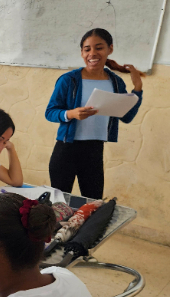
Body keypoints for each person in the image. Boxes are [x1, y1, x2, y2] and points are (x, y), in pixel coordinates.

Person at [46, 28, 144, 199]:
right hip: (65, 150)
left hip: (94, 150)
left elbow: (126, 116)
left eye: (99, 48)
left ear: (110, 49)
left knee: (93, 203)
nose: (92, 53)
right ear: (82, 52)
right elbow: (50, 112)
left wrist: (137, 89)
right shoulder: (69, 80)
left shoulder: (115, 81)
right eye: (87, 49)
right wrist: (71, 114)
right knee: (59, 204)